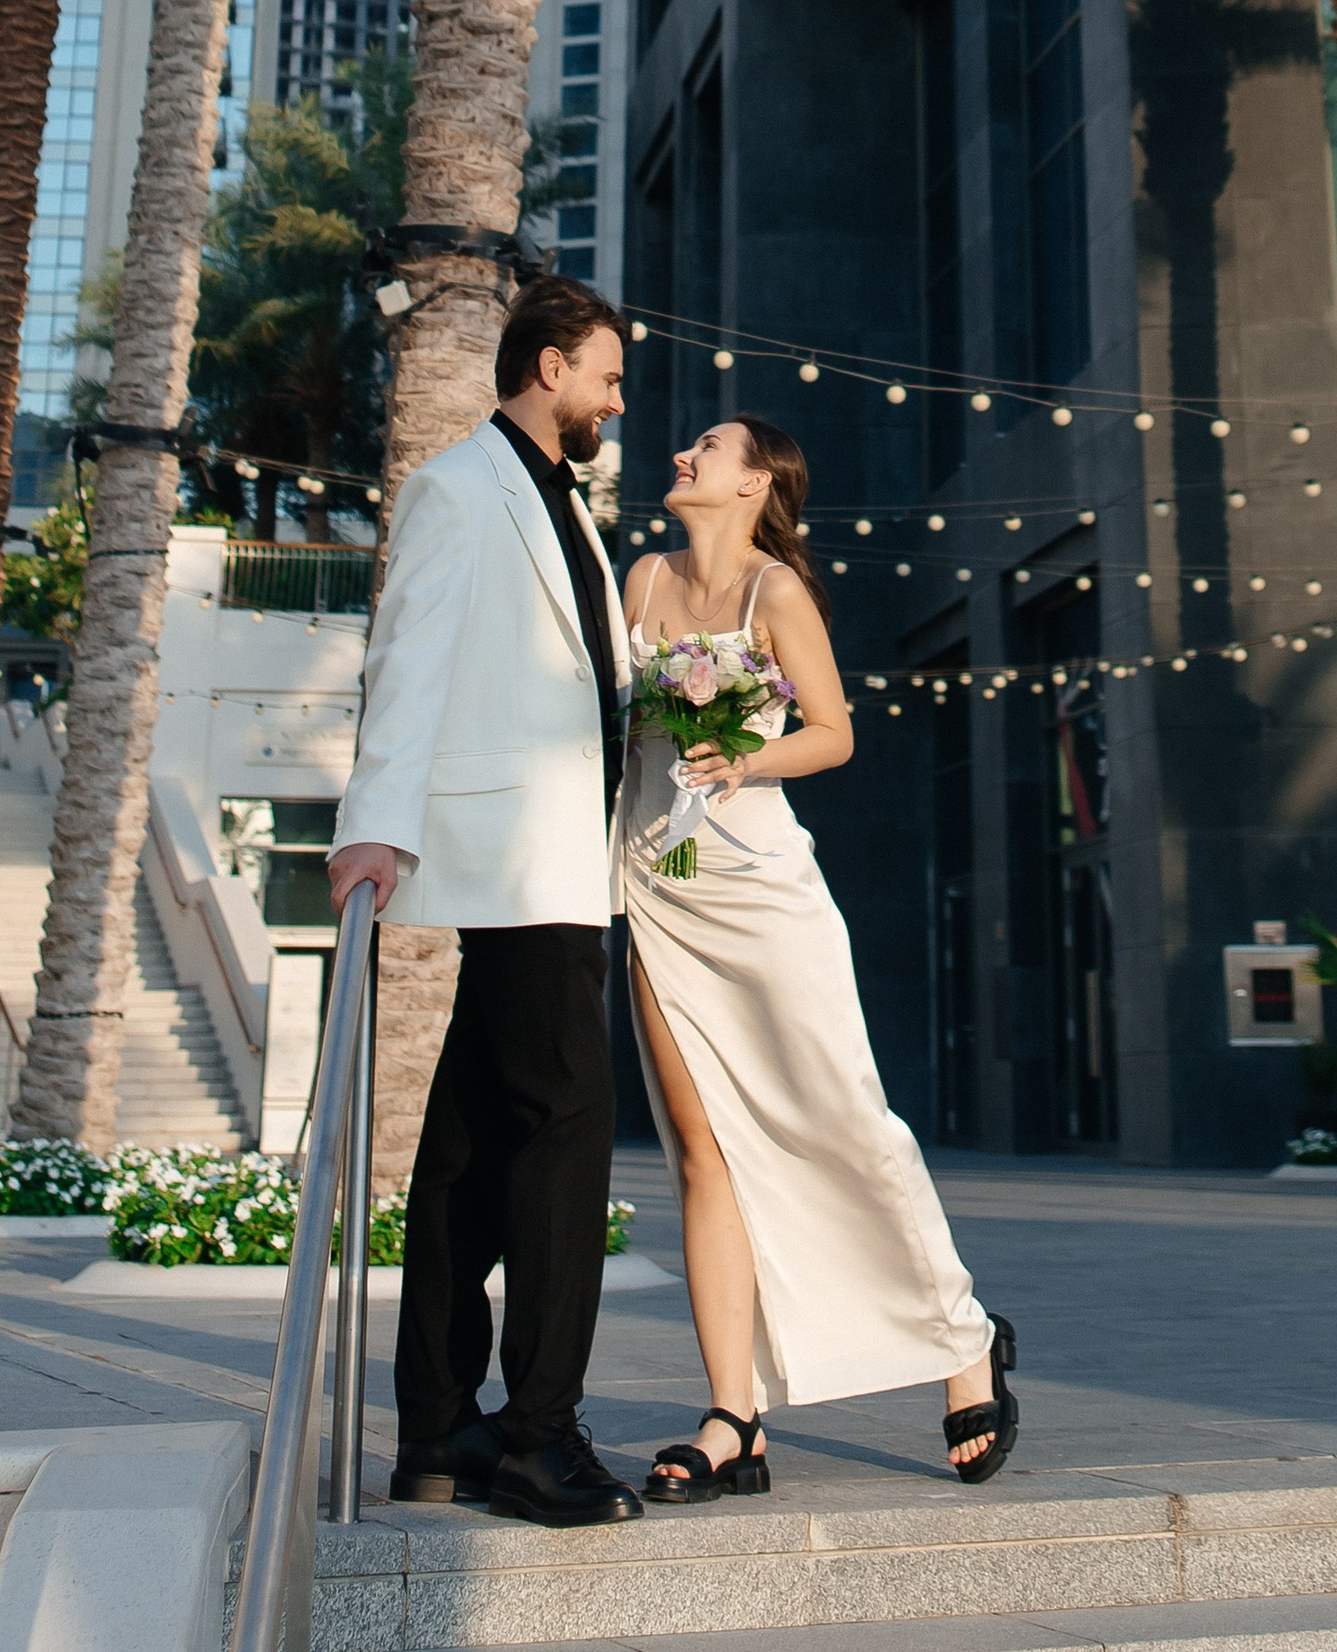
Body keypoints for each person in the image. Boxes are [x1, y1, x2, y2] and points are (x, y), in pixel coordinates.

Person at [619, 414, 1019, 1500]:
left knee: (844, 1117)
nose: (681, 457)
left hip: (764, 889)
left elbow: (833, 732)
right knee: (700, 1150)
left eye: (705, 448)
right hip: (658, 886)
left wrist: (744, 749)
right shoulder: (642, 580)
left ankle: (961, 1337)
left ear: (755, 485)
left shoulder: (776, 593)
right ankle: (730, 1415)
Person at [329, 273, 643, 1530]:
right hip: (519, 865)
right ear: (551, 366)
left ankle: (437, 1424)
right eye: (609, 376)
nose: (619, 399)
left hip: (564, 856)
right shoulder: (460, 487)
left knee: (463, 1151)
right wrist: (373, 825)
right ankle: (538, 1435)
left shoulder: (566, 502)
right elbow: (406, 658)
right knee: (567, 1132)